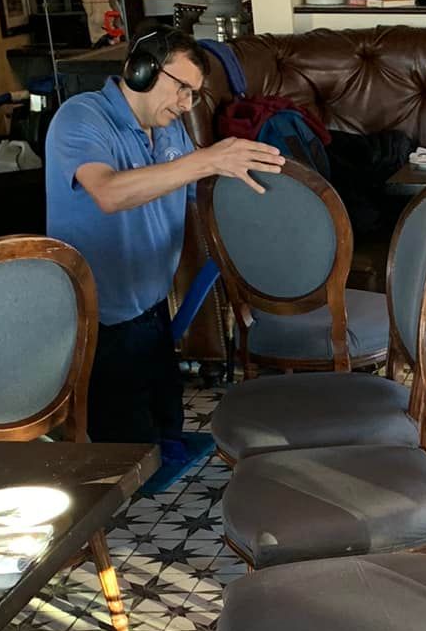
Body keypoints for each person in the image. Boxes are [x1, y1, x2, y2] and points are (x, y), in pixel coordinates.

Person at [45, 28, 284, 449]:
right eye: (181, 89)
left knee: (167, 430)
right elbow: (110, 193)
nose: (186, 104)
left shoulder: (169, 129)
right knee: (130, 452)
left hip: (152, 308)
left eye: (194, 95)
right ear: (141, 71)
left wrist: (272, 216)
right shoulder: (81, 118)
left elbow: (200, 193)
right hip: (98, 319)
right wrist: (206, 159)